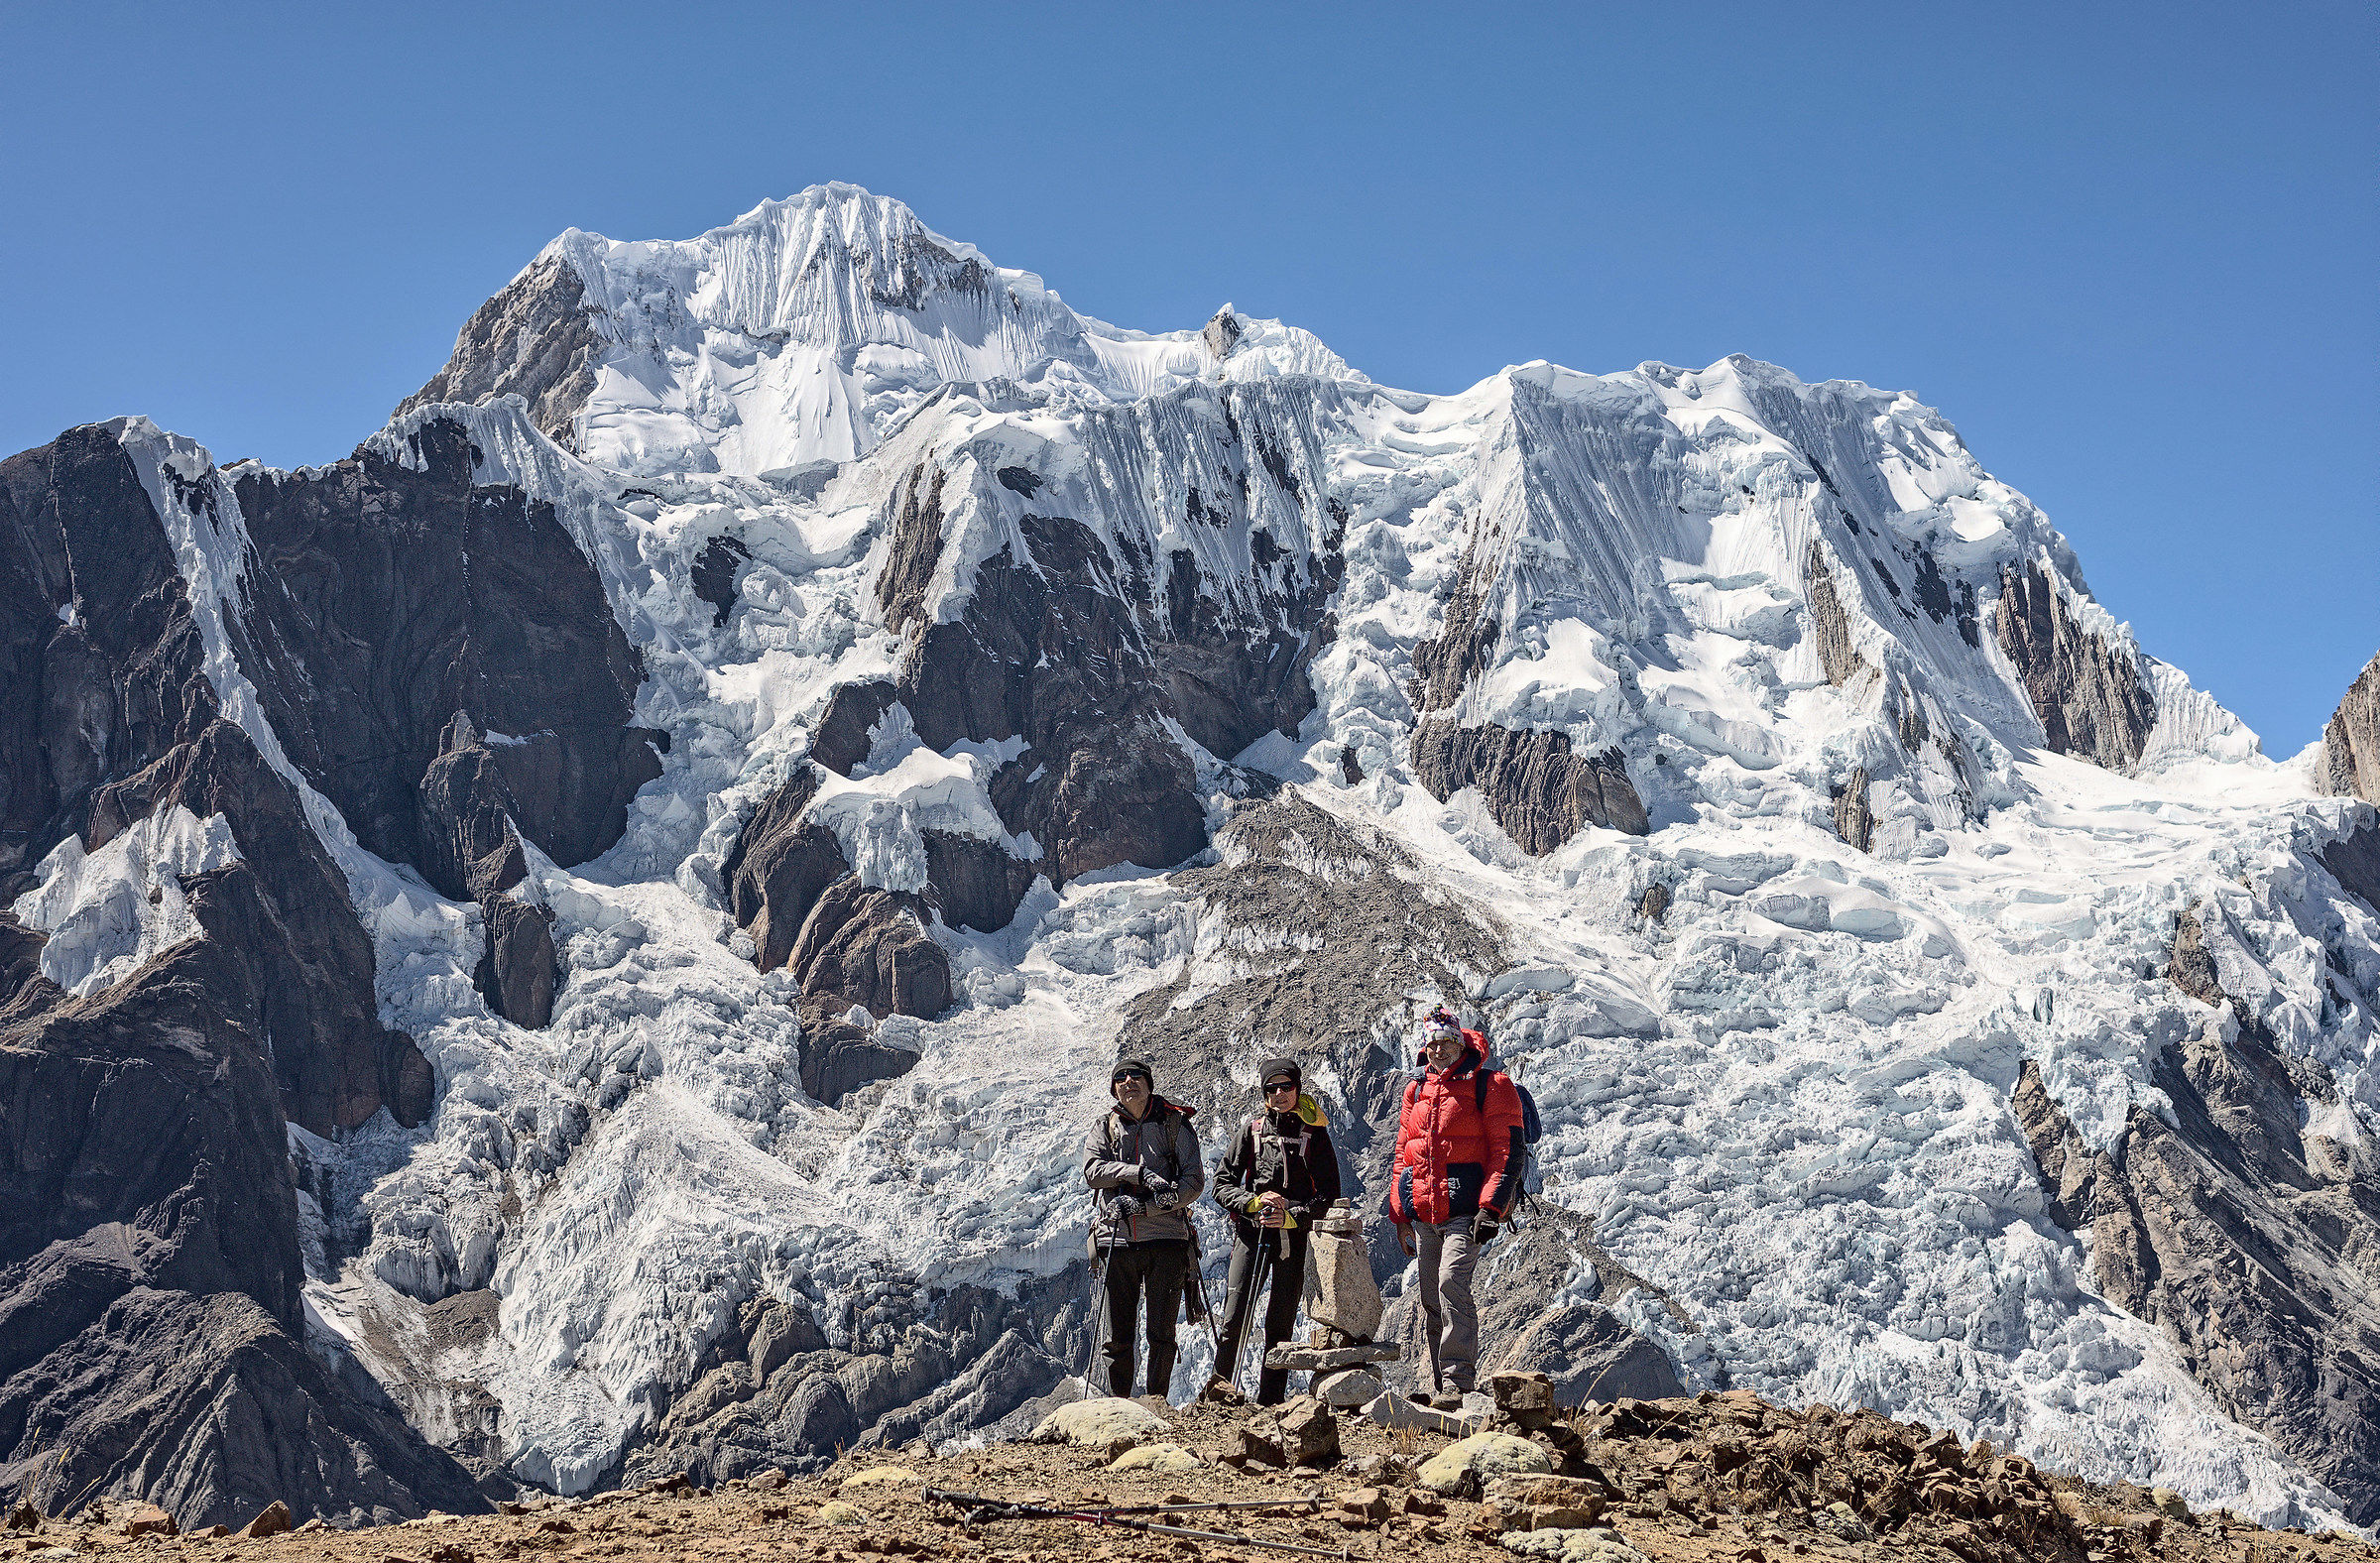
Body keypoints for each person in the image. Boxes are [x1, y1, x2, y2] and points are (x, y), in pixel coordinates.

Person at [1384, 1007, 1524, 1406]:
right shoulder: (1417, 1090)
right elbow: (1402, 1155)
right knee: (1430, 1296)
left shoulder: (1491, 1085)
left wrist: (1491, 1207)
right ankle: (1441, 1387)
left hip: (1467, 1213)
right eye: (1431, 1043)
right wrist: (1400, 1214)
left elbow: (1507, 1150)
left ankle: (1459, 1380)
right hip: (1426, 1215)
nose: (1437, 1050)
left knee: (1450, 1283)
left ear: (1459, 1043)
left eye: (1445, 1042)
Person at [1211, 1056, 1343, 1404]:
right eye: (1272, 1088)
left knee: (1279, 1324)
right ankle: (1218, 1397)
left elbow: (1328, 1194)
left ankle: (1271, 1401)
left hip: (1292, 1239)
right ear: (1264, 1093)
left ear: (1298, 1088)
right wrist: (1253, 1202)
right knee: (1234, 1318)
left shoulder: (1314, 1134)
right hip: (1251, 1234)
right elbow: (1221, 1184)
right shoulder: (1251, 1131)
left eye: (1286, 1086)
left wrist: (1292, 1215)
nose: (1280, 1093)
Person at [1082, 1057, 1204, 1400]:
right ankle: (1122, 1410)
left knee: (1161, 1335)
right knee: (1118, 1337)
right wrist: (1136, 1174)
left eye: (1136, 1076)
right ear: (1114, 1088)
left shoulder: (1173, 1123)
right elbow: (1092, 1171)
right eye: (1120, 1077)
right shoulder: (1104, 1127)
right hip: (1117, 1240)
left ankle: (1155, 1407)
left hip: (1165, 1238)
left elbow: (1193, 1183)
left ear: (1149, 1084)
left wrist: (1147, 1207)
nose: (1128, 1081)